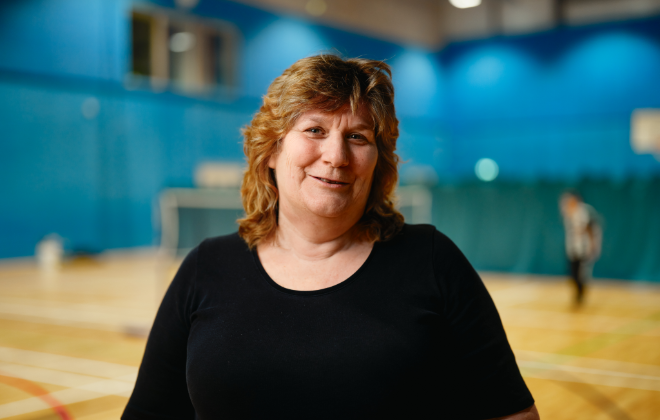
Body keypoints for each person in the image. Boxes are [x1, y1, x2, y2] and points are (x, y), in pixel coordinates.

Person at [122, 55, 539, 420]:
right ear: (271, 150)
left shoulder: (433, 262)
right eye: (315, 130)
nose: (336, 157)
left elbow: (512, 413)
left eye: (357, 136)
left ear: (378, 161)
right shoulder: (205, 268)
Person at [560, 191, 602, 305]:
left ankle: (580, 296)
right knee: (572, 273)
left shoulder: (585, 211)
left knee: (581, 274)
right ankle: (577, 294)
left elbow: (592, 227)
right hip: (572, 248)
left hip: (583, 248)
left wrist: (593, 245)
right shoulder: (568, 212)